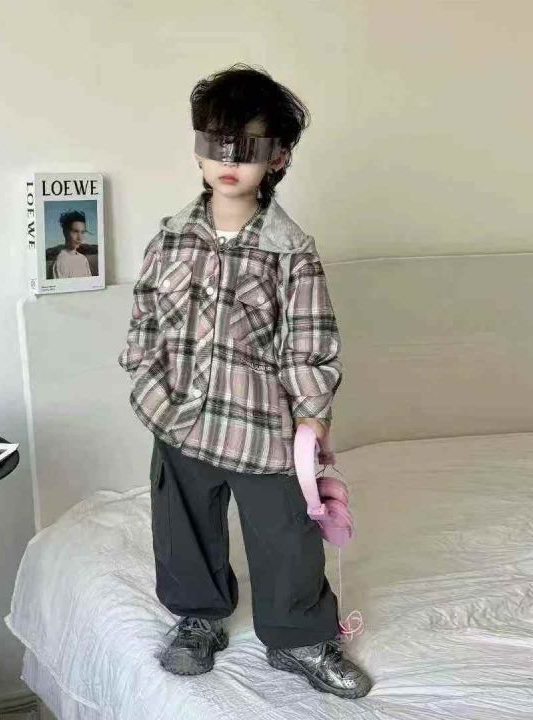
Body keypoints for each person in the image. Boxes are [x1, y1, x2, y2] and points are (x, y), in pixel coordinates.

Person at [117, 64, 372, 699]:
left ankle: (298, 636)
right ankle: (198, 616)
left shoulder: (291, 251)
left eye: (249, 146)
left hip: (261, 425)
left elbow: (309, 339)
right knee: (181, 525)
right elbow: (145, 320)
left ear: (278, 156)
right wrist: (147, 383)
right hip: (179, 416)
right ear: (199, 148)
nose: (230, 159)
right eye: (217, 141)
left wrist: (312, 415)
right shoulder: (170, 240)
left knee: (286, 533)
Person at [50, 210, 93, 278]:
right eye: (75, 231)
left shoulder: (83, 259)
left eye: (82, 232)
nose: (80, 238)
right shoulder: (59, 262)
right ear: (65, 232)